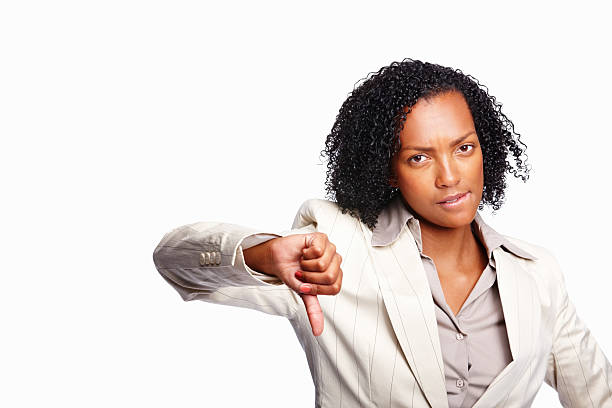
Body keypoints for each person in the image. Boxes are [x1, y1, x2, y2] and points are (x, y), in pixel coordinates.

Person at [152, 58, 612, 407]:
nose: (450, 176)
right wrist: (261, 255)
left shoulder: (537, 273)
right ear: (387, 170)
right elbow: (176, 261)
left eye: (464, 148)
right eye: (419, 157)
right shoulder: (333, 248)